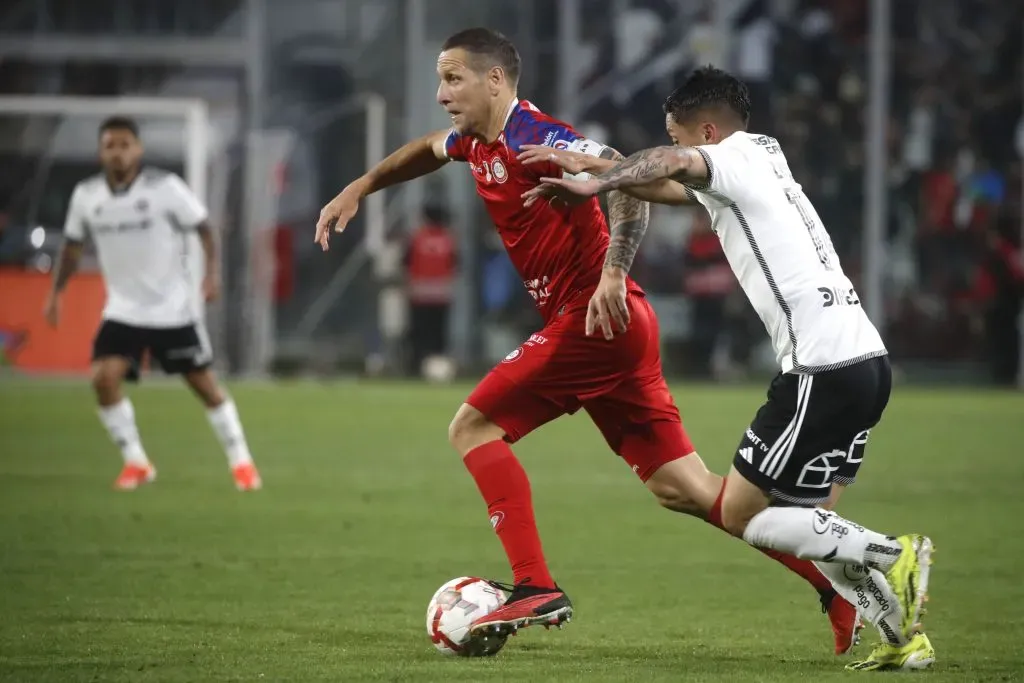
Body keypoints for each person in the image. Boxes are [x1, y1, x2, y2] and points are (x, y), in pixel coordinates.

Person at [315, 30, 859, 654]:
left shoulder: (541, 138)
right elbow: (426, 151)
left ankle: (533, 585)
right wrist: (360, 186)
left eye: (454, 79)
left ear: (495, 81)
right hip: (613, 331)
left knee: (472, 428)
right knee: (683, 489)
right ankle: (833, 587)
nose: (442, 94)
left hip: (595, 320)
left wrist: (614, 273)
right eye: (441, 81)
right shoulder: (476, 142)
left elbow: (627, 180)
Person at [531, 66, 935, 672]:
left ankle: (893, 554)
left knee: (742, 513)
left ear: (708, 131)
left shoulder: (730, 158)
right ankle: (904, 637)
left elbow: (670, 162)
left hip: (819, 368)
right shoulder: (762, 158)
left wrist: (597, 186)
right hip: (866, 363)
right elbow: (670, 184)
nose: (681, 149)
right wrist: (603, 170)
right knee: (812, 520)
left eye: (684, 137)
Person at [44, 116, 262, 492]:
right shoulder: (87, 196)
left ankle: (241, 461)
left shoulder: (166, 188)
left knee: (205, 387)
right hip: (123, 309)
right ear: (101, 151)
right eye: (110, 145)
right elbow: (73, 247)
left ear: (138, 149)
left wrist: (212, 275)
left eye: (125, 144)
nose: (117, 152)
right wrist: (56, 293)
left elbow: (206, 229)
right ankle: (136, 462)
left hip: (171, 309)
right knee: (103, 379)